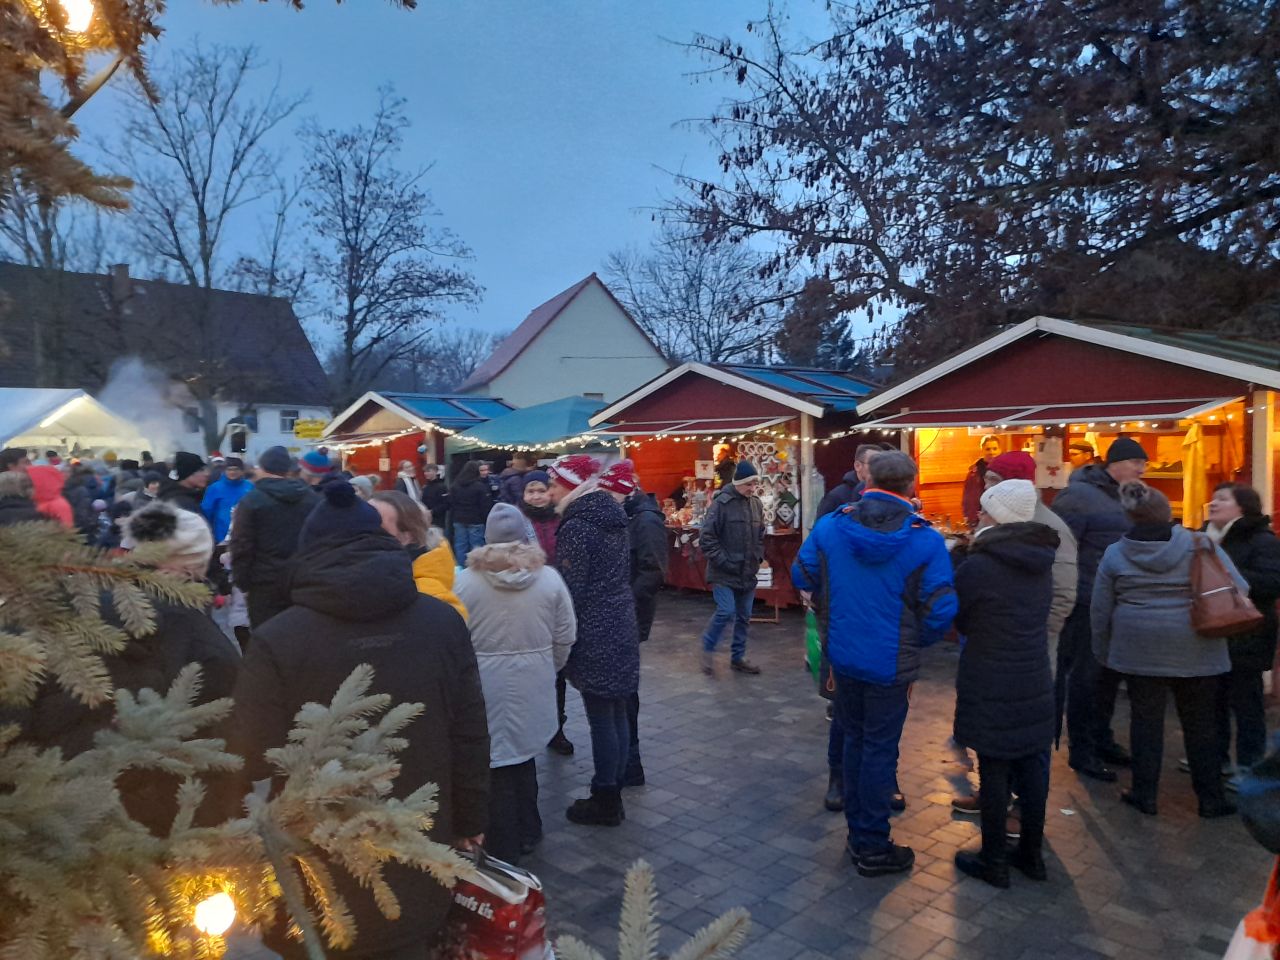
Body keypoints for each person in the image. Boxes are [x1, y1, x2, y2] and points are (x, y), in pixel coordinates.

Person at [226, 479, 490, 959]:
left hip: (317, 853)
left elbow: (251, 755)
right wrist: (470, 820)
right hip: (420, 833)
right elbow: (469, 732)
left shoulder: (278, 639)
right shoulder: (441, 621)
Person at [16, 501, 237, 836]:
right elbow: (220, 752)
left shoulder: (52, 612)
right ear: (193, 567)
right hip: (161, 827)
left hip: (45, 823)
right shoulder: (205, 645)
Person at [792, 451, 957, 877]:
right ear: (911, 486)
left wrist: (832, 615)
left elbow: (802, 575)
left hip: (844, 656)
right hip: (889, 665)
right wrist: (911, 642)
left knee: (853, 739)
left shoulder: (832, 527)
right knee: (879, 748)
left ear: (866, 479)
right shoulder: (925, 539)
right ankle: (871, 844)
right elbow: (941, 610)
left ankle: (858, 835)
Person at [1091, 482, 1239, 819]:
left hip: (1138, 648)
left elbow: (1100, 610)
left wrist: (1104, 652)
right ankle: (1210, 798)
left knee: (1145, 723)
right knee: (1201, 725)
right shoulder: (1201, 544)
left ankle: (1144, 795)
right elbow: (1237, 587)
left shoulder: (1115, 553)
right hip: (1198, 646)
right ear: (1167, 512)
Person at [951, 451, 1079, 821]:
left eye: (993, 481)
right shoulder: (1002, 530)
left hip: (1032, 650)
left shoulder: (1049, 529)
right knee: (1000, 729)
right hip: (1008, 650)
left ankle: (1019, 806)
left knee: (1028, 736)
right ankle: (996, 796)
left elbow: (1064, 594)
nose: (985, 489)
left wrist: (1033, 635)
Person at [454, 503, 577, 862]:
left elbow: (455, 638)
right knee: (524, 757)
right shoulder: (550, 580)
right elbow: (565, 635)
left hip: (483, 688)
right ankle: (529, 827)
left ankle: (501, 838)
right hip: (533, 683)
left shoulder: (464, 583)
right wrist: (547, 668)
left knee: (493, 763)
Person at [951, 480, 1058, 888]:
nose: (978, 515)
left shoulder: (980, 565)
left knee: (994, 767)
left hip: (990, 674)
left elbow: (960, 618)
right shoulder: (1041, 558)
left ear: (998, 515)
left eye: (984, 509)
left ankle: (993, 858)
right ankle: (1032, 854)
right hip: (1032, 674)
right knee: (1032, 766)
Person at [548, 453, 639, 827]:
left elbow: (572, 592)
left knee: (601, 715)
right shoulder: (612, 518)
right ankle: (613, 788)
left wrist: (560, 634)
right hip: (620, 621)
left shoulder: (577, 527)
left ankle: (605, 798)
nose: (550, 490)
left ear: (570, 484)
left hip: (596, 628)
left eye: (554, 483)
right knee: (615, 710)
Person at [1052, 436, 1148, 782]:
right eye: (1137, 462)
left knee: (1109, 676)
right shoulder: (1078, 496)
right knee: (1085, 678)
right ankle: (1082, 749)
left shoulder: (1134, 493)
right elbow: (1060, 548)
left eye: (1144, 464)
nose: (1141, 469)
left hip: (1122, 600)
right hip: (1087, 600)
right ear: (1115, 463)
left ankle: (1102, 738)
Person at [1205, 483, 1280, 790]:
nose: (1213, 503)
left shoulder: (1262, 540)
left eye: (1222, 499)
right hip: (1214, 630)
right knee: (1214, 699)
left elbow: (1272, 582)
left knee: (1246, 703)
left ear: (1242, 507)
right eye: (1213, 497)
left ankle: (1250, 764)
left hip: (1248, 633)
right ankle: (1217, 757)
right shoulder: (1203, 537)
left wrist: (1224, 575)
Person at [600, 460, 668, 787]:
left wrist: (621, 599)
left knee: (626, 692)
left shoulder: (645, 520)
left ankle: (631, 762)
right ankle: (627, 762)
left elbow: (653, 571)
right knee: (622, 690)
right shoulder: (626, 516)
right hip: (623, 612)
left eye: (607, 489)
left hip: (631, 614)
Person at [229, 446, 319, 628]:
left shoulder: (252, 501)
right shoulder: (311, 498)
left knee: (267, 638)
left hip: (264, 583)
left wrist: (242, 581)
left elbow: (241, 545)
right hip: (303, 579)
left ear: (262, 468)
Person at [519, 468, 571, 754]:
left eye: (541, 490)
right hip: (529, 603)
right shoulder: (517, 521)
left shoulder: (561, 518)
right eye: (531, 491)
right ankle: (531, 726)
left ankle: (556, 728)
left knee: (557, 669)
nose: (537, 496)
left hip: (559, 599)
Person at [698, 461, 765, 676]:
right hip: (723, 572)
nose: (753, 488)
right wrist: (724, 561)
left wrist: (758, 557)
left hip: (747, 571)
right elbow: (707, 538)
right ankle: (707, 647)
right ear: (738, 482)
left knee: (744, 616)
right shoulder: (721, 504)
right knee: (726, 611)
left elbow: (760, 535)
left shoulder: (756, 504)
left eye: (755, 483)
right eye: (749, 484)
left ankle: (738, 657)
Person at [370, 490, 467, 621]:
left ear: (407, 537)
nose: (361, 533)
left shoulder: (432, 598)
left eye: (376, 527)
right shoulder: (377, 576)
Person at [817, 443, 883, 518]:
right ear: (857, 466)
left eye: (882, 464)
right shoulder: (836, 497)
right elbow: (821, 526)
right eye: (874, 464)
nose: (879, 468)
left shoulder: (884, 493)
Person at [449, 461, 493, 565]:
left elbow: (451, 503)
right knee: (477, 547)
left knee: (460, 546)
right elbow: (485, 506)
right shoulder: (480, 486)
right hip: (476, 520)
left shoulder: (455, 485)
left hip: (459, 519)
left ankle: (460, 569)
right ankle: (476, 569)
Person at [201, 456, 250, 542]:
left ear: (242, 471)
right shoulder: (215, 488)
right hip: (221, 536)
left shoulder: (249, 487)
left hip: (246, 535)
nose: (232, 472)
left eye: (236, 469)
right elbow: (207, 511)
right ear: (224, 471)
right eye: (229, 469)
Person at [962, 435, 1003, 528]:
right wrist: (968, 517)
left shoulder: (1005, 470)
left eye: (994, 448)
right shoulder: (974, 472)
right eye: (988, 449)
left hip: (1000, 515)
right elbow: (967, 497)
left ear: (999, 449)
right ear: (982, 449)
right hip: (979, 515)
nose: (991, 452)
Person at [420, 463, 448, 530]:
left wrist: (432, 511)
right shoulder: (425, 487)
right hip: (425, 520)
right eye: (425, 471)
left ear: (435, 471)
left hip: (438, 521)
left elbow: (446, 504)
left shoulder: (442, 487)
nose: (426, 473)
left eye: (428, 471)